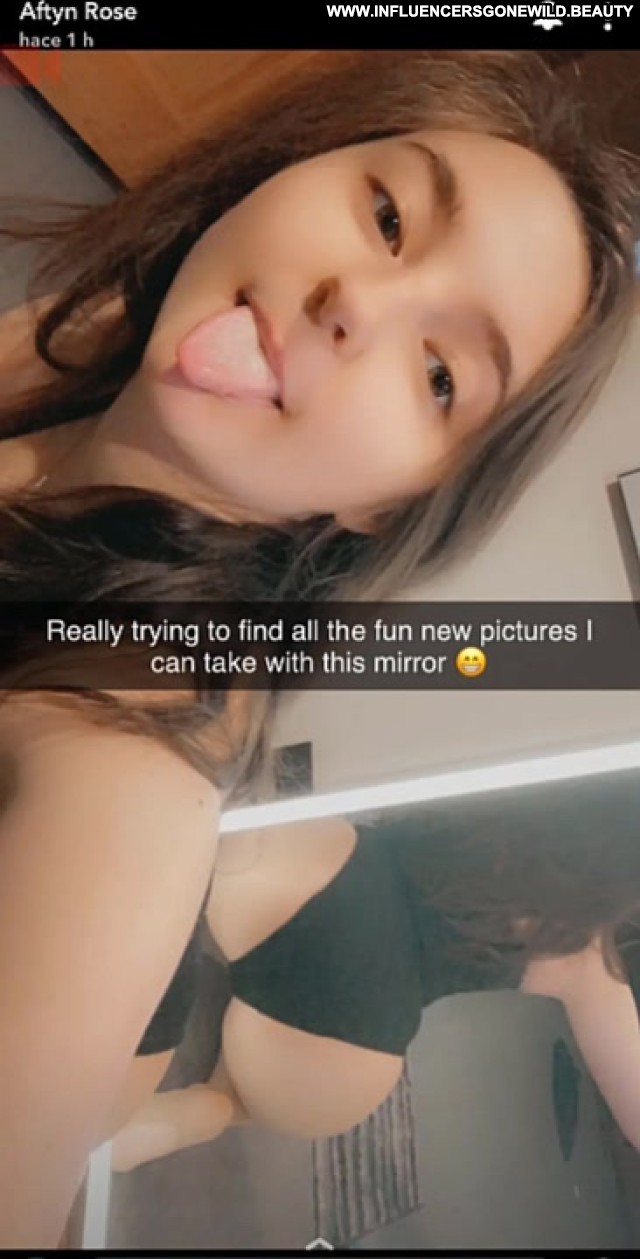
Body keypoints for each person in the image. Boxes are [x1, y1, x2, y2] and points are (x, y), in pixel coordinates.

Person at [0, 50, 637, 1245]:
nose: (357, 302)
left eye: (440, 374)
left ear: (387, 506)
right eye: (388, 215)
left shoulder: (122, 771)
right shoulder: (93, 339)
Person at [109, 783, 640, 1171]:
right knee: (251, 1099)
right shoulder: (583, 955)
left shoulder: (521, 774)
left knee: (196, 859)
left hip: (327, 871)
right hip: (357, 1033)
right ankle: (207, 1109)